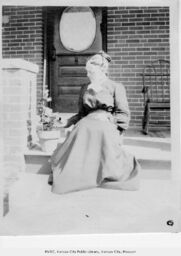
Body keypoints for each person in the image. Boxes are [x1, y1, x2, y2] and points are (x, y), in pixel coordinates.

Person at [49, 51, 140, 194]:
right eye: (87, 72)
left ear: (102, 70)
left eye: (90, 72)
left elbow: (123, 113)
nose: (87, 75)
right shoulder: (85, 88)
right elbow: (81, 114)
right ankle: (78, 174)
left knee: (98, 131)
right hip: (86, 123)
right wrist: (67, 122)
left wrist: (109, 118)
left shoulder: (115, 86)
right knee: (82, 128)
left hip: (107, 124)